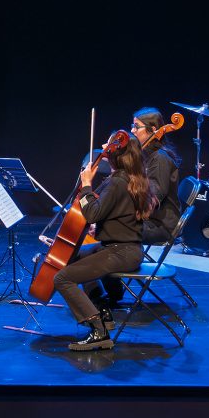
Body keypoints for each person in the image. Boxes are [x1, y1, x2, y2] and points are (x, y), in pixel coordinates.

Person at [51, 132, 154, 351]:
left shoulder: (117, 182)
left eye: (108, 144)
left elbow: (92, 214)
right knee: (69, 259)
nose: (104, 146)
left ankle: (98, 330)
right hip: (123, 248)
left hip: (121, 252)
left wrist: (86, 184)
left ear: (117, 154)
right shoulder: (131, 177)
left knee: (62, 278)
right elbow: (114, 213)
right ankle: (102, 311)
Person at [129, 107, 182, 244]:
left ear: (153, 130)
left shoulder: (160, 159)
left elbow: (152, 199)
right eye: (132, 126)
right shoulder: (145, 156)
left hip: (160, 226)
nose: (132, 130)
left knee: (115, 229)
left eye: (136, 126)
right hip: (150, 221)